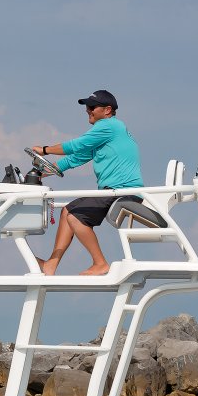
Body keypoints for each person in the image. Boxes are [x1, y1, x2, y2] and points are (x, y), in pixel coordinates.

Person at [31, 89, 143, 276]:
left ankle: (100, 263)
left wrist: (45, 149)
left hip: (123, 191)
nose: (87, 110)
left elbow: (76, 145)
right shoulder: (105, 135)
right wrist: (37, 175)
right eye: (87, 107)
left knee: (75, 216)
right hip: (114, 192)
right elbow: (74, 159)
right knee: (67, 211)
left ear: (107, 110)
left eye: (92, 107)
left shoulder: (109, 126)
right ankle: (51, 265)